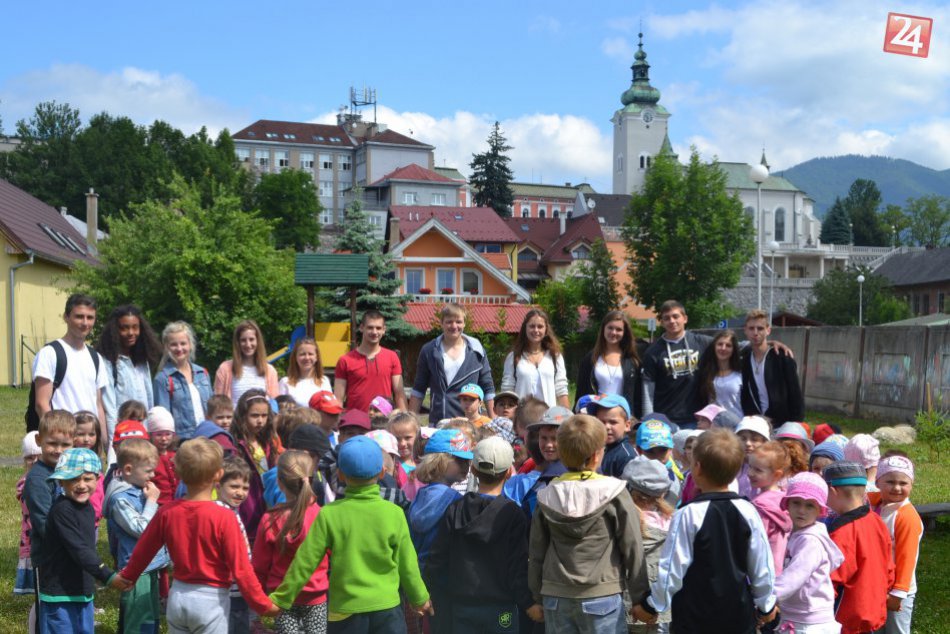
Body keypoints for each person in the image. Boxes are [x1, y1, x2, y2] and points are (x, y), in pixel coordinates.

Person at [270, 436, 433, 631]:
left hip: (344, 612)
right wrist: (419, 598)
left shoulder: (329, 514)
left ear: (340, 474)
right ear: (382, 472)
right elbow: (407, 563)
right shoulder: (394, 513)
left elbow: (305, 562)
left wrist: (281, 598)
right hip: (387, 610)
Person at [118, 438, 279, 629]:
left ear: (177, 472)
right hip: (211, 601)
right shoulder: (225, 517)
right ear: (219, 474)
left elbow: (143, 550)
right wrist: (263, 605)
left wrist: (127, 576)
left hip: (178, 596)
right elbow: (241, 569)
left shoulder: (167, 512)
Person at [633, 429, 777, 632]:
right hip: (737, 615)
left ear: (697, 468)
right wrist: (766, 605)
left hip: (694, 617)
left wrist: (651, 605)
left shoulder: (687, 514)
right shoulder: (748, 511)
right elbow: (762, 565)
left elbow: (672, 568)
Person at [529, 414, 648, 632]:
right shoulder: (614, 492)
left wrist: (536, 597)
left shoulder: (546, 495)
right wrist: (640, 598)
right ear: (596, 455)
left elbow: (537, 551)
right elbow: (632, 546)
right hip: (602, 594)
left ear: (562, 453)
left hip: (556, 597)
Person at [426, 437, 536, 633]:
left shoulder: (455, 509)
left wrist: (433, 593)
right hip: (502, 608)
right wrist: (528, 603)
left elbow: (438, 558)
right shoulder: (513, 514)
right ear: (509, 472)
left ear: (473, 470)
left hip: (462, 606)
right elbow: (518, 567)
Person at [38, 448, 126, 632]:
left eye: (87, 479)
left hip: (82, 590)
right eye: (73, 479)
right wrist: (107, 575)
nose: (81, 485)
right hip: (60, 594)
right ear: (61, 482)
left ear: (97, 479)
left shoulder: (87, 507)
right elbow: (79, 549)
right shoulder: (62, 510)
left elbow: (87, 549)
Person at [254, 451, 329, 634]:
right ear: (310, 480)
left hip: (281, 597)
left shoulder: (270, 518)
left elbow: (260, 565)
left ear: (279, 482)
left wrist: (259, 598)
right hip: (316, 596)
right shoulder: (322, 516)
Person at [103, 438, 168, 634]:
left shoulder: (139, 489)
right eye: (148, 471)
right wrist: (152, 501)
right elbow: (142, 530)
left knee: (149, 617)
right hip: (136, 570)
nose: (153, 475)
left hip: (150, 565)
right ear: (129, 469)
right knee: (138, 619)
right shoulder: (120, 499)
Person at [823, 461, 894, 634]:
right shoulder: (876, 521)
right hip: (873, 613)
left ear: (832, 490)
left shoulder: (841, 533)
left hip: (846, 620)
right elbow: (889, 567)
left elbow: (830, 581)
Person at [31, 294, 108, 449]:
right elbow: (41, 404)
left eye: (90, 317)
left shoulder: (96, 358)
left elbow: (98, 405)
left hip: (89, 444)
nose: (85, 323)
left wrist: (103, 444)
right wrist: (59, 443)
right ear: (66, 317)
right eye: (79, 316)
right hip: (63, 445)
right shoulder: (50, 353)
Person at [773, 472, 844, 633]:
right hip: (797, 616)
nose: (801, 510)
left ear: (820, 510)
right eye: (796, 503)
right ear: (787, 504)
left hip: (809, 623)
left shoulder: (810, 541)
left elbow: (794, 577)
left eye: (810, 505)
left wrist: (766, 598)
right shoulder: (795, 533)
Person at [97, 305, 162, 464]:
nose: (131, 333)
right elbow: (110, 408)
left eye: (135, 327)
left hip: (143, 435)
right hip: (123, 438)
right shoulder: (108, 362)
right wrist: (112, 447)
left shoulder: (142, 360)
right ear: (115, 330)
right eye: (124, 328)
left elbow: (149, 401)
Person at [410, 303, 495, 420]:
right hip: (439, 422)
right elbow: (419, 389)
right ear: (441, 323)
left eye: (458, 322)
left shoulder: (477, 352)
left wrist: (494, 419)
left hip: (470, 423)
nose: (454, 326)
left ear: (464, 323)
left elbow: (488, 388)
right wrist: (410, 420)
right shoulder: (429, 351)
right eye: (449, 322)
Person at [869, 456, 923, 634]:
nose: (897, 488)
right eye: (890, 482)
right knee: (873, 627)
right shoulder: (872, 503)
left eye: (903, 483)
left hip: (897, 591)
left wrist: (898, 593)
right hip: (875, 585)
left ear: (911, 485)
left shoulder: (906, 517)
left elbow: (907, 558)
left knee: (896, 630)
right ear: (878, 482)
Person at [621, 458, 674, 633]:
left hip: (626, 602)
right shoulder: (671, 520)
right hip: (657, 605)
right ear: (663, 493)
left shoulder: (622, 520)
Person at [409, 429, 473, 572]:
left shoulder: (420, 495)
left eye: (467, 460)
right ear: (438, 461)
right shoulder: (455, 501)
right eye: (459, 460)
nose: (466, 465)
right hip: (439, 571)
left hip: (416, 569)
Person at [334, 310, 408, 413]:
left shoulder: (392, 357)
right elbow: (338, 398)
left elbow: (399, 393)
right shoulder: (345, 360)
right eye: (370, 327)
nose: (374, 332)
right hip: (355, 420)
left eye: (378, 328)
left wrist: (405, 419)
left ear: (384, 330)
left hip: (383, 419)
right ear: (361, 328)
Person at [575, 310, 643, 418]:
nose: (613, 332)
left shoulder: (632, 361)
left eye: (619, 329)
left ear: (625, 332)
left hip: (622, 417)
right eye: (610, 328)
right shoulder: (590, 359)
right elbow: (581, 392)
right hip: (596, 416)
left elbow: (638, 395)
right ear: (603, 329)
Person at [741, 309, 804, 425]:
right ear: (745, 330)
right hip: (756, 422)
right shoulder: (744, 359)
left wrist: (796, 424)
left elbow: (795, 395)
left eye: (760, 328)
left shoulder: (782, 357)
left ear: (768, 330)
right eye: (751, 328)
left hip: (782, 423)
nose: (755, 332)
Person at [153, 321, 213, 440]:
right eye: (174, 344)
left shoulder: (202, 373)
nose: (179, 348)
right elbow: (163, 421)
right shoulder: (162, 379)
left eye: (183, 343)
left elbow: (212, 408)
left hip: (208, 437)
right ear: (166, 347)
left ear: (190, 345)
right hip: (182, 441)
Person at [214, 456, 254, 634]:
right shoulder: (221, 512)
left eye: (245, 488)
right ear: (218, 486)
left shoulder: (232, 511)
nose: (240, 493)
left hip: (238, 589)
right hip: (228, 589)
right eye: (234, 486)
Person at [501, 309, 569, 409]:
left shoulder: (555, 357)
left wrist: (567, 415)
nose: (536, 330)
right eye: (532, 326)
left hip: (548, 416)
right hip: (522, 416)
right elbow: (507, 391)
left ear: (546, 330)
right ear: (525, 328)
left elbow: (561, 389)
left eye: (540, 326)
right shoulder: (514, 357)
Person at [747, 442, 793, 575]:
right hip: (779, 567)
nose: (750, 473)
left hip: (761, 569)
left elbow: (754, 542)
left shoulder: (761, 506)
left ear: (777, 475)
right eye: (750, 467)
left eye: (758, 470)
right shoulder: (785, 498)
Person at [215, 320, 280, 407]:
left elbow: (274, 405)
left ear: (258, 341)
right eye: (243, 340)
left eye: (251, 339)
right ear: (237, 343)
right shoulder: (225, 369)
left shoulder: (270, 371)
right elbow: (217, 405)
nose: (248, 344)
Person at [15, 432, 43, 602]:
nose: (34, 461)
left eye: (38, 456)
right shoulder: (25, 483)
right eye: (29, 458)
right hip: (33, 540)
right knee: (41, 592)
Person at [694, 329, 743, 419]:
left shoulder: (741, 374)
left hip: (737, 422)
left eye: (728, 345)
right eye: (720, 344)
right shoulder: (706, 374)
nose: (723, 348)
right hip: (714, 424)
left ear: (734, 349)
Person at [586, 394, 637, 478]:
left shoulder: (627, 456)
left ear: (627, 425)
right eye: (601, 422)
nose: (607, 427)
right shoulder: (596, 448)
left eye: (613, 422)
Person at [279, 337, 332, 408]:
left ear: (316, 357)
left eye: (310, 354)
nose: (307, 358)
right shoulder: (285, 382)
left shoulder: (324, 381)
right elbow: (281, 411)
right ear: (295, 357)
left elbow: (330, 408)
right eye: (302, 354)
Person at [145, 406, 178, 506]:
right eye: (159, 434)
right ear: (150, 435)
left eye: (168, 434)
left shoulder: (176, 456)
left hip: (178, 503)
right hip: (159, 506)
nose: (164, 438)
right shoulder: (148, 459)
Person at [735, 415, 771, 499]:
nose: (748, 443)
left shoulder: (769, 469)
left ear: (765, 442)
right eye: (743, 438)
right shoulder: (732, 465)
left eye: (754, 440)